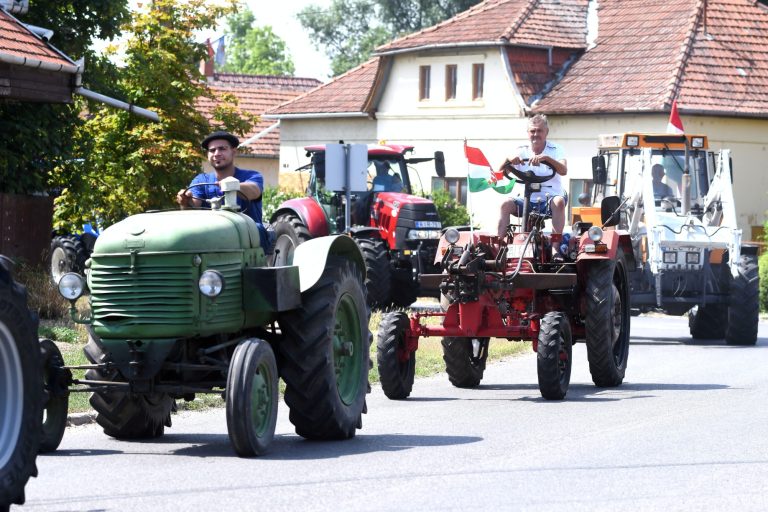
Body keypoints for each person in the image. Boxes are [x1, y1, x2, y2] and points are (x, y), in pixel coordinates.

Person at [176, 131, 267, 246]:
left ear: (234, 152)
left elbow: (254, 191)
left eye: (222, 149)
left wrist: (232, 185)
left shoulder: (251, 176)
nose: (217, 153)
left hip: (248, 243)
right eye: (212, 150)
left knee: (257, 229)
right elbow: (194, 204)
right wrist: (185, 201)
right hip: (210, 242)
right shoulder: (201, 180)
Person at [497, 114, 568, 237]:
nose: (536, 134)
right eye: (532, 131)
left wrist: (547, 159)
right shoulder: (520, 150)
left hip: (549, 198)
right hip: (524, 199)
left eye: (539, 130)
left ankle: (555, 248)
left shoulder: (556, 149)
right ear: (527, 133)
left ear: (546, 132)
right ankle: (499, 246)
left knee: (559, 201)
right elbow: (499, 174)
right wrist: (508, 159)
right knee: (505, 205)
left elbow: (563, 170)